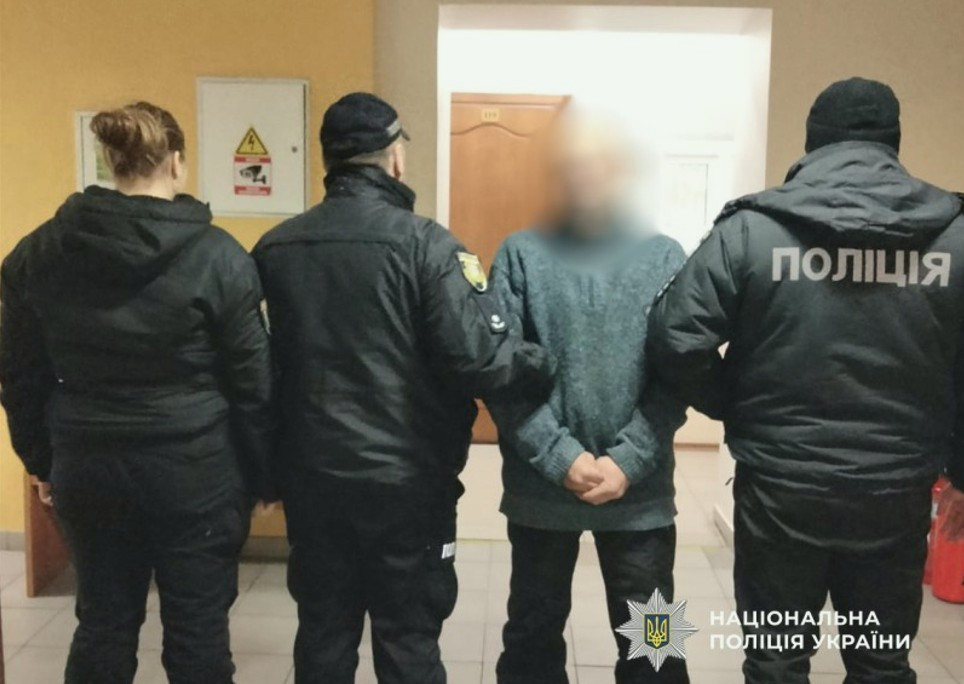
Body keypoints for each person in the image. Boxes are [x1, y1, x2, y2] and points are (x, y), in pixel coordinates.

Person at [647, 77, 964, 684]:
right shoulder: (952, 233)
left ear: (813, 142)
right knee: (880, 661)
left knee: (777, 661)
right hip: (894, 491)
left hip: (781, 490)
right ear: (894, 143)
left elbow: (674, 337)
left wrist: (736, 404)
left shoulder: (753, 229)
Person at [252, 92, 555, 684]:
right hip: (408, 485)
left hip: (312, 480)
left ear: (328, 161)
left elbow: (256, 374)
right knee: (408, 637)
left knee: (322, 631)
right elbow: (479, 361)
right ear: (394, 157)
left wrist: (266, 472)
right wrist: (541, 362)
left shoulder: (275, 248)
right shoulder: (427, 246)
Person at [0, 101, 275, 684]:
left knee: (102, 623)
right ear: (176, 163)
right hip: (196, 471)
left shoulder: (37, 253)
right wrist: (263, 475)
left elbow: (18, 374)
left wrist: (41, 460)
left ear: (110, 162)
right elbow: (253, 382)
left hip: (88, 465)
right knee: (199, 632)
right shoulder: (219, 256)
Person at [489, 114, 689, 684]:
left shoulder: (665, 258)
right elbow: (501, 374)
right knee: (532, 638)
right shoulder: (520, 255)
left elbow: (680, 374)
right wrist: (561, 457)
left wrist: (628, 459)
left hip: (640, 497)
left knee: (656, 648)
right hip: (541, 491)